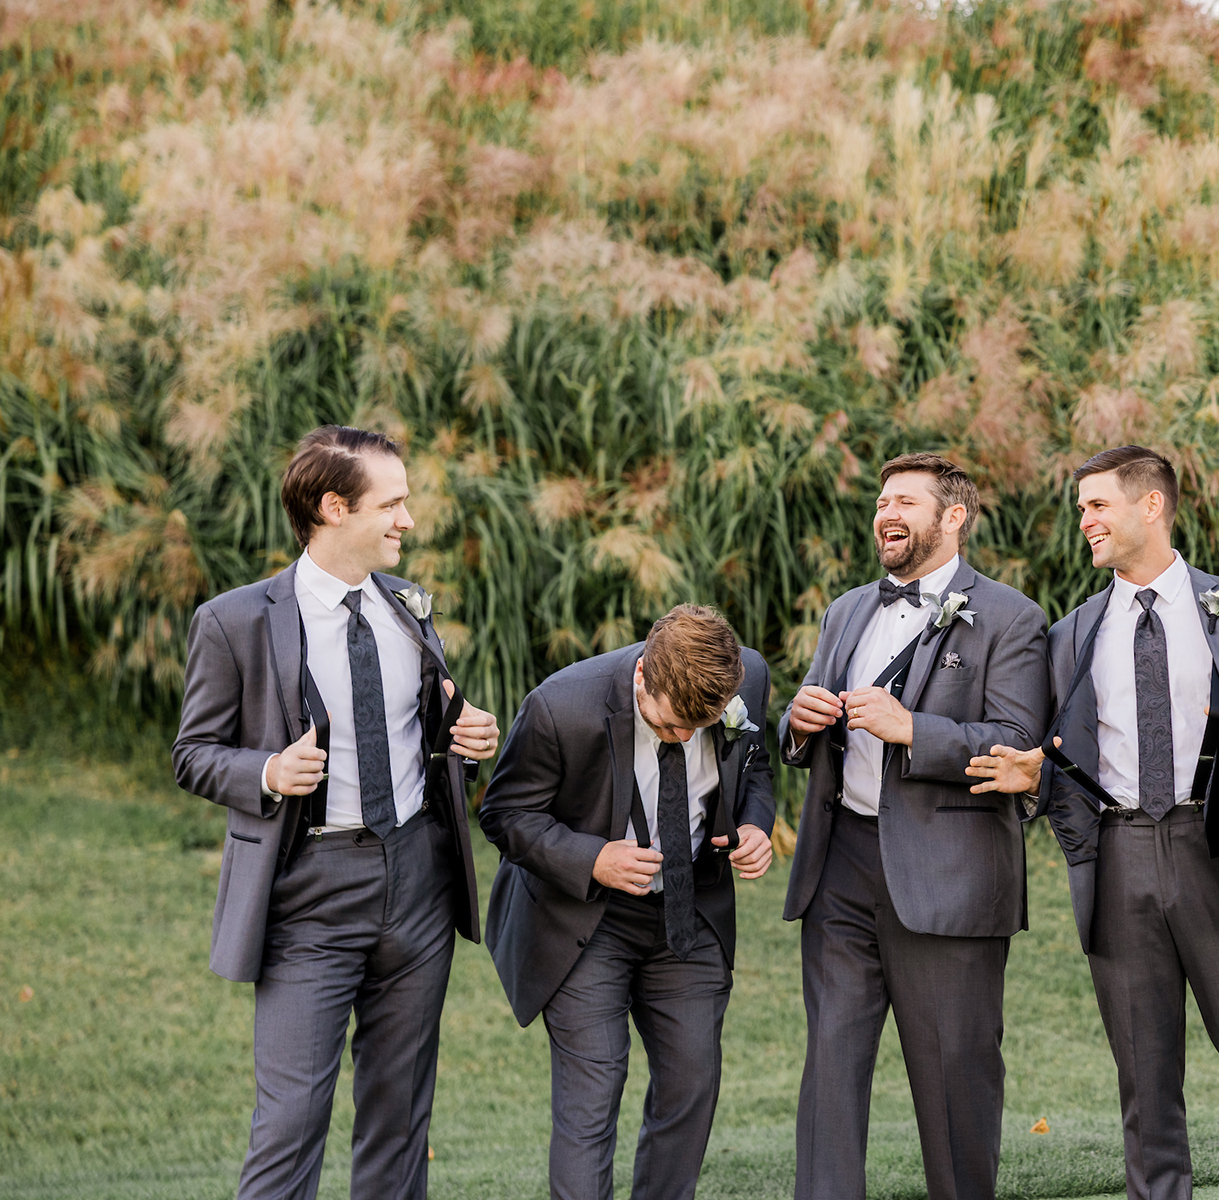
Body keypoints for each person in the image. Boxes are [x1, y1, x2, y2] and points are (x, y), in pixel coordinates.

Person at [969, 445, 1219, 1200]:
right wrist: (1037, 777)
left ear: (1151, 504)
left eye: (1098, 505)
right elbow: (1062, 757)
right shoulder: (1071, 634)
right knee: (1144, 1081)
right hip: (1118, 861)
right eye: (1082, 510)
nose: (1085, 522)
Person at [173, 424, 500, 1199]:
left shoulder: (407, 606)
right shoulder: (235, 621)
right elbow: (193, 753)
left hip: (417, 882)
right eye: (391, 505)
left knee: (401, 1119)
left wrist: (465, 732)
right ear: (333, 508)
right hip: (308, 894)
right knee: (290, 1125)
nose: (407, 521)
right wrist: (268, 771)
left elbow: (421, 720)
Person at [779, 453, 1050, 1200]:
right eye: (881, 502)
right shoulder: (845, 611)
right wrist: (798, 724)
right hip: (839, 867)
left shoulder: (1012, 617)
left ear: (952, 517)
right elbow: (810, 719)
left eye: (904, 502)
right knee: (830, 1073)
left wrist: (913, 730)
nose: (886, 514)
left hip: (950, 876)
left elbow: (1018, 744)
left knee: (956, 1077)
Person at [480, 604, 775, 1200]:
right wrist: (592, 858)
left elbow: (756, 766)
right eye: (669, 726)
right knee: (593, 1092)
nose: (684, 738)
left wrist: (754, 824)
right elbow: (505, 814)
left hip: (689, 912)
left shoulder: (747, 676)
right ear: (642, 676)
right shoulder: (560, 706)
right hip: (586, 920)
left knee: (692, 1083)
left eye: (698, 727)